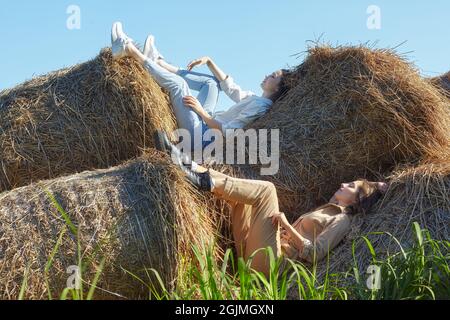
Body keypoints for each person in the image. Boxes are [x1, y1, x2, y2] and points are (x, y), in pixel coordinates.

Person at [154, 130, 388, 276]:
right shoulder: (327, 209)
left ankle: (202, 179)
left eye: (351, 186)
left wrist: (285, 225)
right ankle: (188, 164)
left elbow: (315, 254)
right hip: (255, 253)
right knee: (241, 200)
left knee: (267, 189)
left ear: (358, 199)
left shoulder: (343, 220)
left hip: (272, 267)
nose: (344, 183)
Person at [111, 22, 291, 151]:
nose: (267, 75)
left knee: (179, 86)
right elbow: (230, 87)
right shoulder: (256, 99)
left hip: (200, 139)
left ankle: (130, 50)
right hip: (205, 127)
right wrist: (209, 61)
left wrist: (201, 112)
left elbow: (228, 133)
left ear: (277, 88)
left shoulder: (261, 106)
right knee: (211, 83)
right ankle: (160, 63)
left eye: (273, 76)